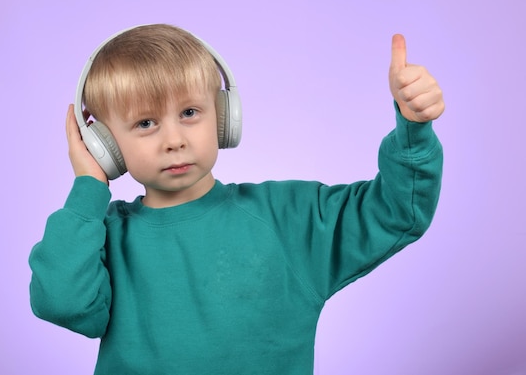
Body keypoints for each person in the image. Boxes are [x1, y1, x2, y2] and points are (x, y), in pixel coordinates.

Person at [29, 24, 444, 374]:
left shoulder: (289, 218)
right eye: (145, 122)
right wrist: (88, 186)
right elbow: (63, 303)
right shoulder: (99, 239)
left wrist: (413, 127)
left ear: (224, 116)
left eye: (190, 113)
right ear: (105, 144)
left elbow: (396, 211)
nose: (174, 140)